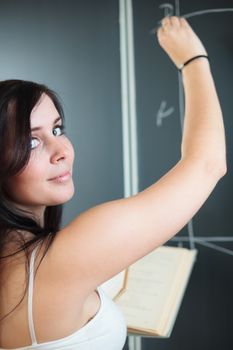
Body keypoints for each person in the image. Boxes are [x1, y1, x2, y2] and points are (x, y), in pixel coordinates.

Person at [0, 16, 226, 350]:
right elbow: (207, 165)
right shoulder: (57, 262)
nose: (61, 150)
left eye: (57, 129)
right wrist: (193, 60)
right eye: (31, 142)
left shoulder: (21, 264)